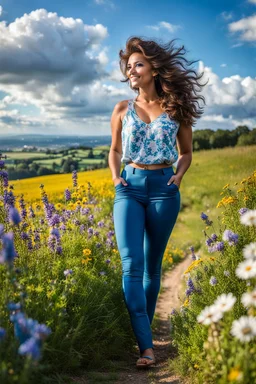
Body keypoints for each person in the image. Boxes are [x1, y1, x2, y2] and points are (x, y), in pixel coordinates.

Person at [108, 36, 207, 368]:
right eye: (129, 65)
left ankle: (142, 335)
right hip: (129, 187)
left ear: (153, 69)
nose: (131, 70)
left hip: (165, 189)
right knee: (131, 266)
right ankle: (146, 348)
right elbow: (115, 150)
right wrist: (114, 176)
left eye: (138, 64)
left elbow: (187, 152)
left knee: (153, 267)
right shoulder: (122, 108)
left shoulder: (176, 108)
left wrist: (178, 177)